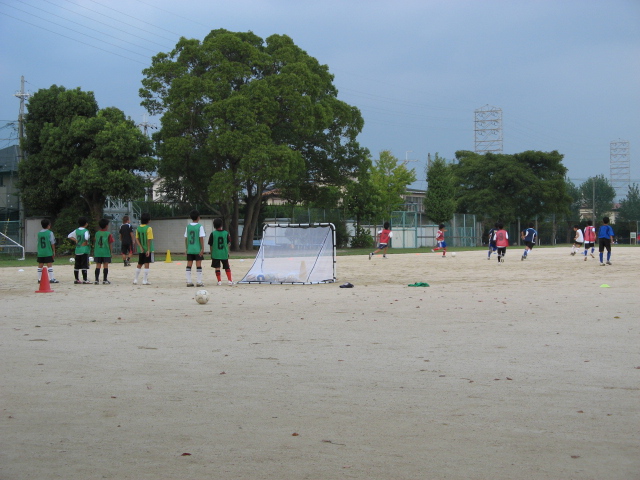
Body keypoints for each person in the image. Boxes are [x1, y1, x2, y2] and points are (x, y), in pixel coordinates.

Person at [208, 217, 233, 285]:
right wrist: (228, 252)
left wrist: (211, 253)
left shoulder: (213, 234)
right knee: (227, 267)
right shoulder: (226, 233)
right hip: (224, 253)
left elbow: (211, 245)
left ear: (214, 225)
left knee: (217, 267)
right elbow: (229, 243)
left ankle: (219, 281)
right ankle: (230, 280)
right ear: (222, 225)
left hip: (215, 253)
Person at [185, 210, 206, 287]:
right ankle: (199, 281)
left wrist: (186, 248)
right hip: (197, 248)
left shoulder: (188, 227)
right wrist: (202, 248)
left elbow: (186, 238)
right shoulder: (200, 226)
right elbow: (201, 238)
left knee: (189, 264)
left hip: (190, 248)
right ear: (198, 218)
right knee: (198, 264)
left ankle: (189, 281)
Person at [68, 216, 91, 284]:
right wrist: (86, 242)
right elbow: (86, 237)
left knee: (77, 265)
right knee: (84, 265)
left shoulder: (76, 230)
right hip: (84, 250)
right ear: (86, 223)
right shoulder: (86, 231)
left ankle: (76, 279)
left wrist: (76, 240)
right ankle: (85, 279)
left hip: (77, 250)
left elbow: (69, 236)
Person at [36, 219, 59, 284]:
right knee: (49, 265)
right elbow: (52, 242)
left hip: (41, 252)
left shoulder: (39, 233)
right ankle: (51, 279)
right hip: (48, 251)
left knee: (40, 265)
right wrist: (54, 251)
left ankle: (39, 279)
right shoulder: (50, 233)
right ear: (49, 225)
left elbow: (38, 243)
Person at [133, 213, 154, 285]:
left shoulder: (138, 228)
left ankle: (135, 279)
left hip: (141, 249)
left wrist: (140, 246)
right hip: (147, 249)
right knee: (147, 263)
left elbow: (136, 238)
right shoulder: (149, 228)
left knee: (139, 263)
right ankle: (144, 280)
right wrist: (148, 249)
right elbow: (149, 239)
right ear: (148, 220)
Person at [94, 218, 114, 284]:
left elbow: (95, 241)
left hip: (98, 252)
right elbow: (110, 243)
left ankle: (96, 280)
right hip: (105, 252)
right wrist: (111, 252)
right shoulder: (108, 234)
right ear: (106, 226)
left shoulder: (97, 233)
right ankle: (105, 280)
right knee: (105, 265)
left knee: (98, 265)